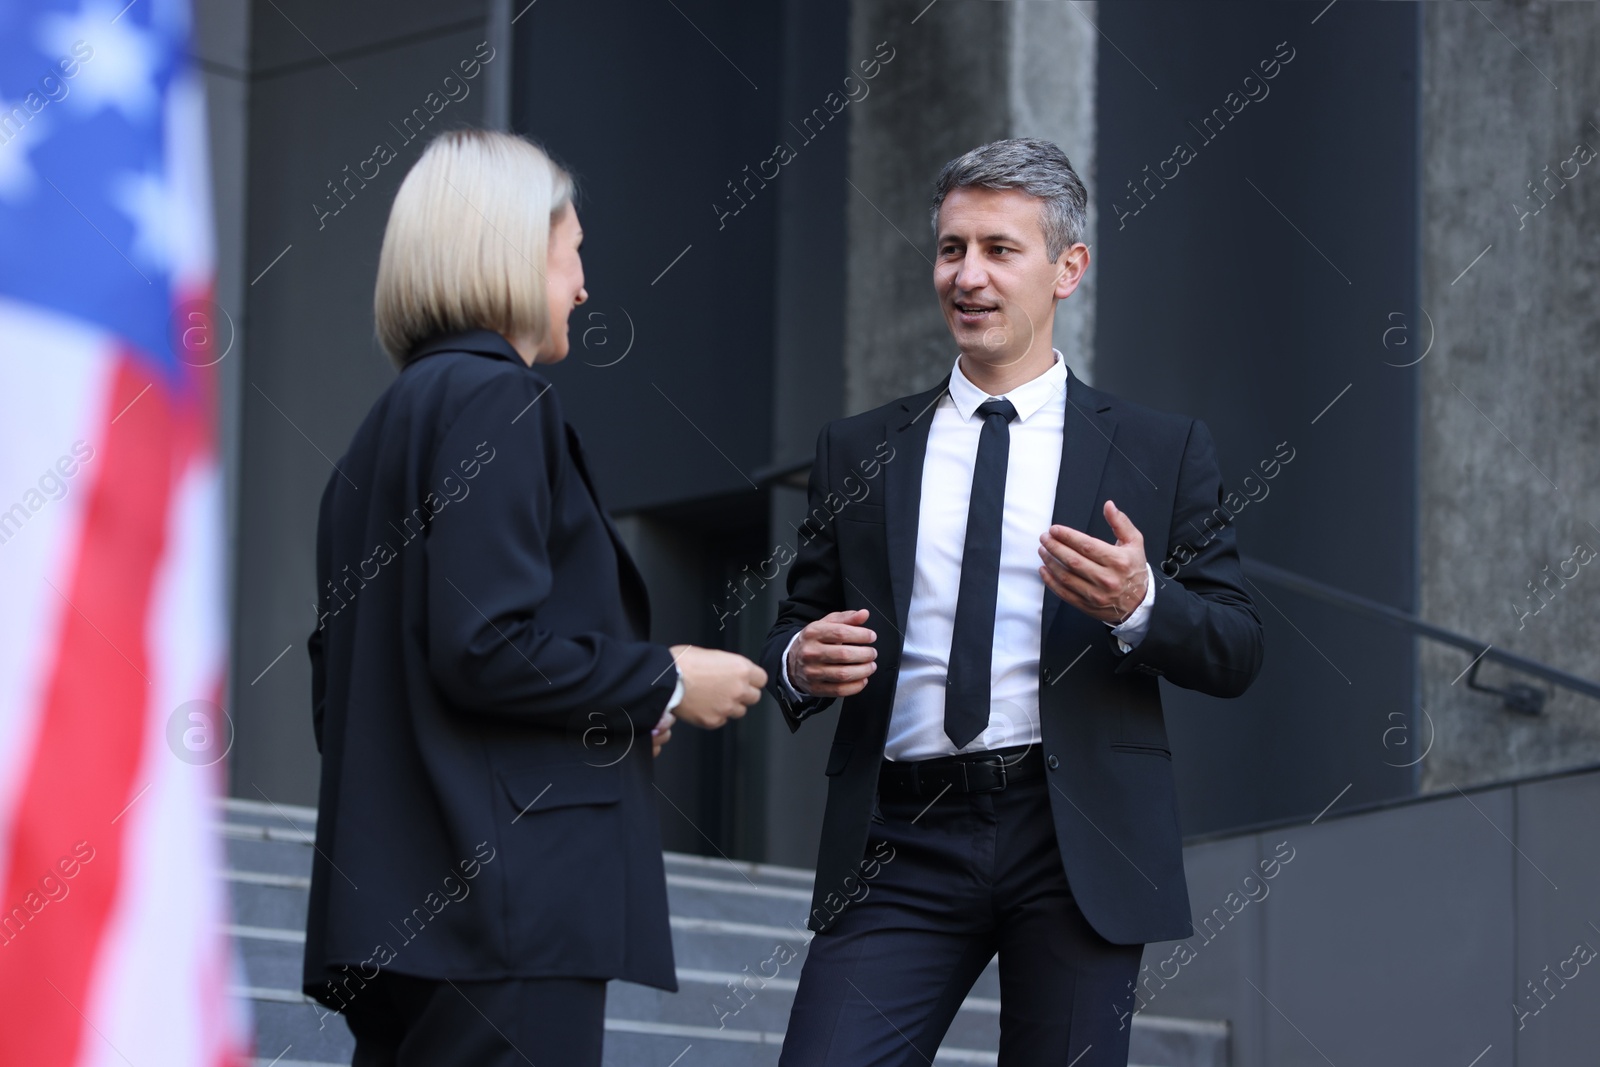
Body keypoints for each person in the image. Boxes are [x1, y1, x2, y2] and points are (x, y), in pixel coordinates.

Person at [763, 138, 1264, 1066]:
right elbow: (795, 625)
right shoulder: (858, 449)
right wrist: (798, 660)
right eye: (953, 249)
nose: (968, 275)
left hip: (1072, 838)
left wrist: (1141, 603)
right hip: (895, 841)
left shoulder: (1161, 451)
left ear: (1068, 267)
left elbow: (1236, 646)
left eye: (1000, 249)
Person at [302, 128, 767, 1067]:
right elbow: (485, 647)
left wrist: (606, 710)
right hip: (500, 907)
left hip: (402, 911)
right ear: (513, 253)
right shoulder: (499, 404)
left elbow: (354, 684)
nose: (585, 286)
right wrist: (665, 680)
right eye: (574, 254)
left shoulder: (376, 436)